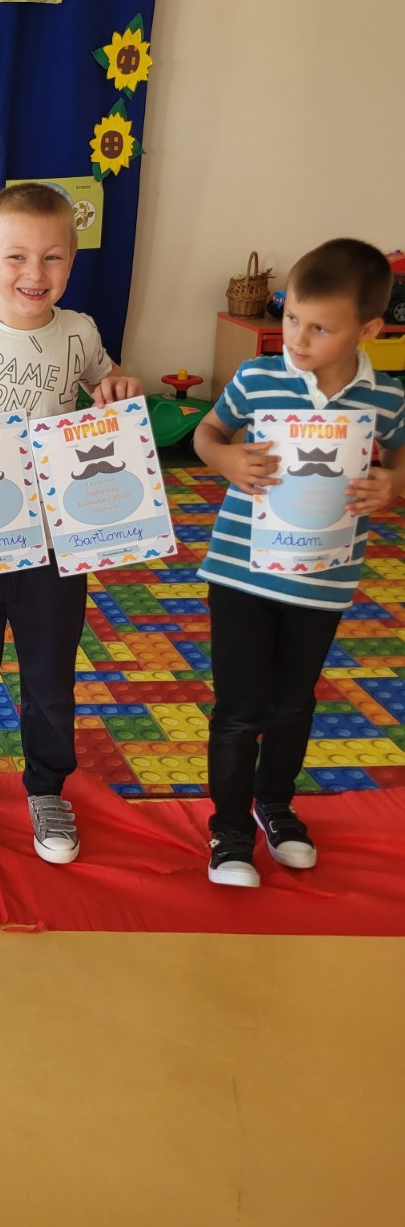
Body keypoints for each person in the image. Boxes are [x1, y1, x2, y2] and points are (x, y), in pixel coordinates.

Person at [0, 183, 142, 869]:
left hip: (57, 540)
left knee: (49, 676)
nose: (34, 273)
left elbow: (108, 382)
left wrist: (117, 389)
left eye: (52, 257)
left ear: (72, 260)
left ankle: (47, 789)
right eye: (16, 257)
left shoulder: (81, 331)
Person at [193, 239, 405, 886]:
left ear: (368, 329)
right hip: (240, 572)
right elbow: (207, 432)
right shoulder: (258, 378)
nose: (298, 338)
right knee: (238, 707)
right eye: (292, 319)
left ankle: (275, 805)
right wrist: (225, 459)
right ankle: (229, 829)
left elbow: (400, 454)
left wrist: (394, 484)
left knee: (292, 704)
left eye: (320, 328)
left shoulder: (386, 397)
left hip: (323, 581)